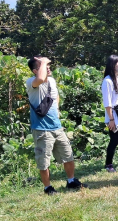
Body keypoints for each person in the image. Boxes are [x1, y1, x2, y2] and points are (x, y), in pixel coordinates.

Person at [26, 56, 88, 195]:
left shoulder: (52, 81)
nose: (48, 67)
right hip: (41, 129)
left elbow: (55, 96)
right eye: (43, 66)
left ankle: (71, 181)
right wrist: (44, 61)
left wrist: (57, 109)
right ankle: (48, 188)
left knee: (68, 155)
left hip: (57, 127)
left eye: (48, 66)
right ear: (35, 70)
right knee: (44, 161)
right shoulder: (31, 82)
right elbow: (40, 79)